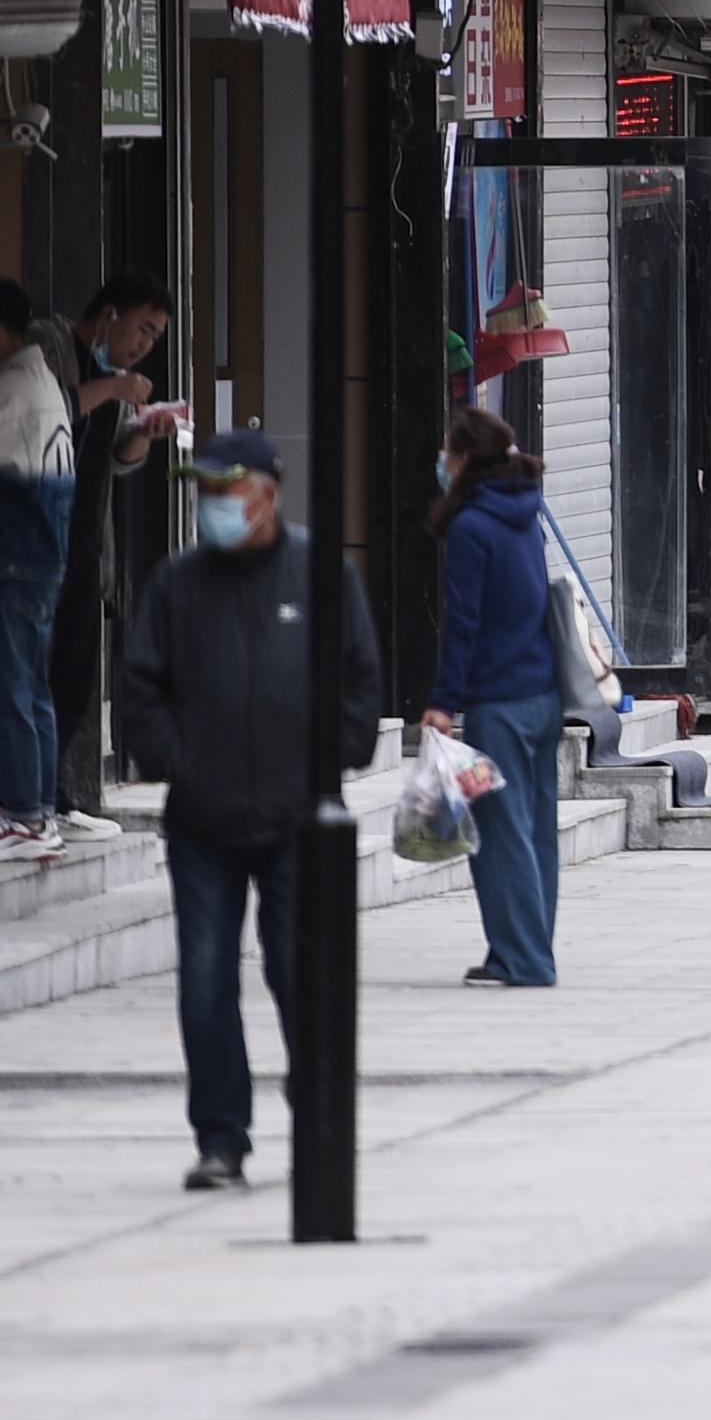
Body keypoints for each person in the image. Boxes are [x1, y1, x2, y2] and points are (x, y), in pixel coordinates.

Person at [121, 431, 380, 1190]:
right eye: (202, 492)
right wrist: (174, 759)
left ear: (267, 492)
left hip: (297, 817)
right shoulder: (176, 582)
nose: (214, 506)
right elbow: (141, 687)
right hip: (203, 821)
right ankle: (221, 1135)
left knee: (300, 971)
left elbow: (361, 681)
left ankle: (317, 1098)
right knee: (204, 978)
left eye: (225, 489)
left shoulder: (322, 573)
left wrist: (333, 757)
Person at [418, 407, 566, 989]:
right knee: (535, 831)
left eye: (445, 453)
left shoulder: (472, 527)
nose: (440, 464)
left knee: (500, 836)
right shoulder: (524, 514)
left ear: (462, 461)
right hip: (543, 697)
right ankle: (524, 950)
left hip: (497, 708)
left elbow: (464, 624)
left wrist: (443, 702)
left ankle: (524, 959)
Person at [45, 272, 179, 824]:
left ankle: (50, 795)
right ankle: (25, 798)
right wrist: (115, 390)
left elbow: (118, 459)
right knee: (31, 672)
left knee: (72, 677)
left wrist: (146, 429)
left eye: (155, 337)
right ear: (110, 314)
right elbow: (47, 410)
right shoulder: (49, 344)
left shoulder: (116, 374)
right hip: (34, 538)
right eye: (142, 328)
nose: (144, 345)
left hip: (86, 542)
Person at [0, 290, 73, 851]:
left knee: (13, 685)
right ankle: (41, 807)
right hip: (44, 556)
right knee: (34, 685)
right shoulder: (45, 382)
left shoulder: (12, 389)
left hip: (16, 555)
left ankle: (25, 812)